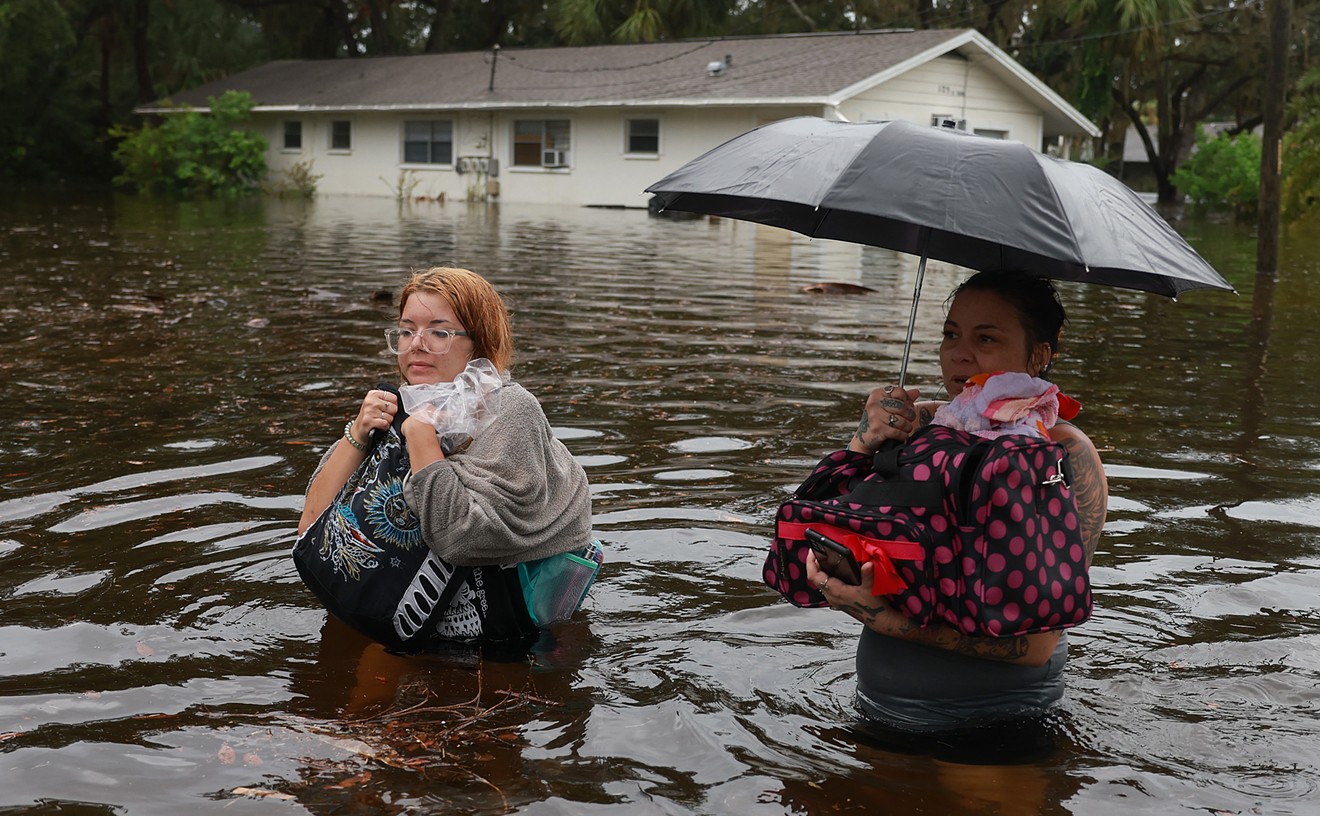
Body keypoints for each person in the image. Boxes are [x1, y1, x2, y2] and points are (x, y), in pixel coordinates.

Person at [804, 269, 1108, 733]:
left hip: (996, 722)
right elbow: (824, 520)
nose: (959, 354)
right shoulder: (921, 427)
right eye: (950, 334)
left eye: (985, 339)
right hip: (879, 708)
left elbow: (1037, 645)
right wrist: (865, 442)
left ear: (1039, 355)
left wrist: (887, 622)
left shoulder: (1061, 453)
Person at [297, 265, 594, 646]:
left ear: (478, 342)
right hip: (404, 614)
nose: (416, 343)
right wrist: (356, 434)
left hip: (503, 634)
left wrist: (421, 438)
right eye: (406, 330)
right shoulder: (397, 406)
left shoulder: (510, 410)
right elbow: (311, 528)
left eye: (439, 332)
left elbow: (464, 540)